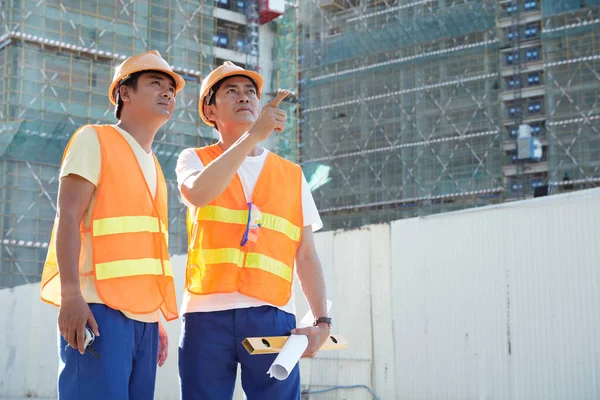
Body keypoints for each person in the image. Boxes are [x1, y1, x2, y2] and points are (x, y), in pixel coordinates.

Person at [176, 61, 332, 399]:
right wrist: (251, 137)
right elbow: (198, 193)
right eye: (231, 91)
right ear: (210, 109)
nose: (244, 97)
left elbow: (305, 255)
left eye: (250, 92)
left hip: (272, 316)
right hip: (206, 317)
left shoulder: (292, 175)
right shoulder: (194, 159)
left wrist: (322, 322)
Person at [40, 50, 184, 399]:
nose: (167, 92)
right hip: (98, 310)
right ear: (124, 92)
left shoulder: (155, 168)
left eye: (171, 88)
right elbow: (68, 217)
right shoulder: (95, 139)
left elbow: (143, 251)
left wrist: (152, 317)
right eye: (155, 83)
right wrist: (71, 295)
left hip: (143, 323)